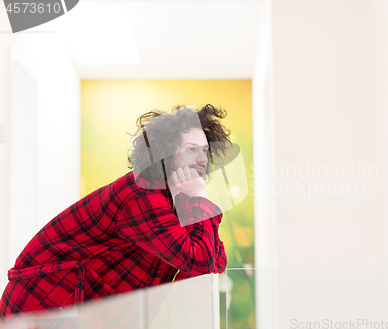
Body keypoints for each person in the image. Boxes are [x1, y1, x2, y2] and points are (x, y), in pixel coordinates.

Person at [0, 104, 230, 317]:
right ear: (165, 151)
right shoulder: (141, 194)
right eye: (191, 149)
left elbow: (214, 258)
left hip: (84, 312)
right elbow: (200, 260)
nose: (202, 158)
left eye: (204, 150)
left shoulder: (177, 196)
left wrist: (195, 202)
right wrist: (200, 198)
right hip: (46, 306)